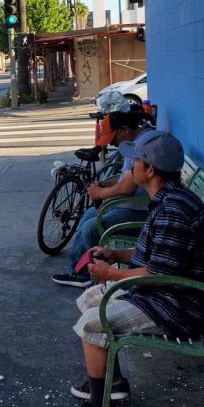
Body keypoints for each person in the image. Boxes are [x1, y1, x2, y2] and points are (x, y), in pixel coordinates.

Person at [52, 130, 204, 407]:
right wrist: (116, 254)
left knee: (92, 324)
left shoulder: (173, 211)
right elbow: (153, 258)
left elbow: (156, 275)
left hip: (182, 305)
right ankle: (110, 381)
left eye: (135, 162)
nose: (130, 169)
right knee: (90, 299)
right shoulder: (165, 199)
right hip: (169, 292)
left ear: (150, 170)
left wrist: (112, 275)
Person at [52, 111, 151, 288]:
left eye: (113, 138)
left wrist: (100, 194)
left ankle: (88, 273)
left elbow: (127, 187)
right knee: (90, 214)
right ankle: (78, 268)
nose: (111, 144)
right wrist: (103, 184)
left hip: (138, 209)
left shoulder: (141, 146)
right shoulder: (134, 144)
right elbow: (125, 178)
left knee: (91, 228)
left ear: (125, 130)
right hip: (131, 205)